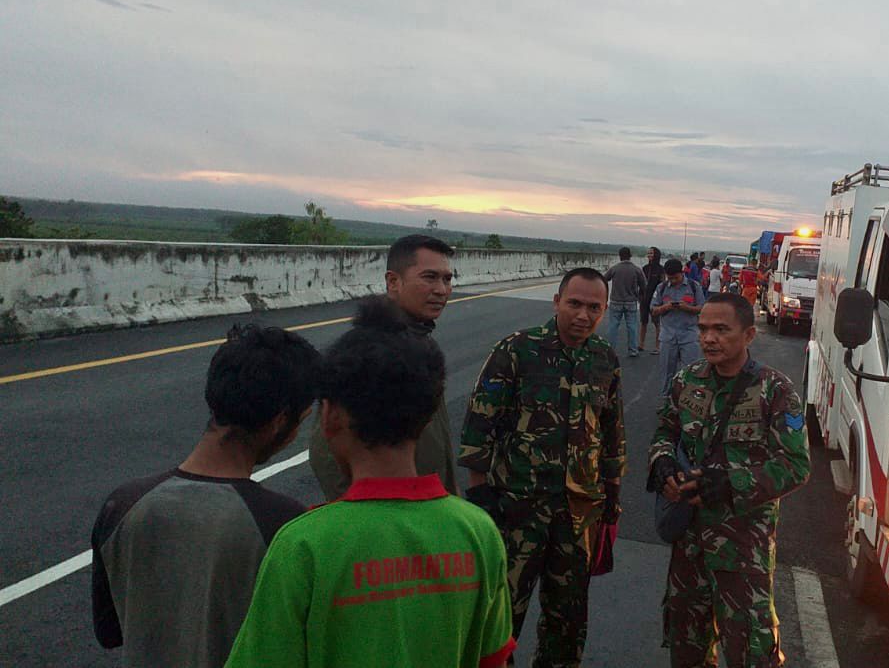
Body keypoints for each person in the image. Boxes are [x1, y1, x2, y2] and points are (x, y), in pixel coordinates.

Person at [223, 297, 515, 668]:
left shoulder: (303, 544)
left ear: (330, 416)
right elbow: (494, 659)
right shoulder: (479, 532)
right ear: (427, 419)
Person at [92, 324, 320, 668]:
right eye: (300, 422)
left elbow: (110, 633)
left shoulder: (122, 506)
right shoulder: (286, 525)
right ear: (279, 422)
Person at [458, 268, 626, 668]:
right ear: (556, 302)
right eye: (574, 304)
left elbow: (611, 429)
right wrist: (480, 492)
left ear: (603, 310)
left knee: (567, 620)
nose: (583, 315)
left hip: (578, 511)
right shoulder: (518, 350)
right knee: (502, 614)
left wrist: (613, 490)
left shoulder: (604, 358)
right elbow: (481, 421)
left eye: (593, 307)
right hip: (517, 507)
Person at [648, 293, 810, 668]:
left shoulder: (775, 390)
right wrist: (662, 462)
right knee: (686, 648)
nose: (709, 338)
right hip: (688, 546)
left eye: (721, 330)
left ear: (749, 334)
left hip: (742, 552)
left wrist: (730, 483)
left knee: (750, 653)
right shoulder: (686, 380)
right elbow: (664, 430)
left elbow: (796, 465)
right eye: (703, 329)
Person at [310, 233, 459, 498]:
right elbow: (326, 450)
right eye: (430, 277)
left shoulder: (421, 346)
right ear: (393, 282)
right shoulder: (365, 352)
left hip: (427, 509)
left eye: (447, 279)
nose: (442, 290)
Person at [652, 258, 707, 394]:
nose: (673, 281)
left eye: (675, 278)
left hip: (689, 336)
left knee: (692, 372)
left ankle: (689, 402)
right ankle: (666, 401)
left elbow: (702, 308)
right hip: (668, 337)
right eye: (670, 278)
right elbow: (653, 310)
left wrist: (687, 307)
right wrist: (665, 307)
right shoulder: (661, 288)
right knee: (666, 373)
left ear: (682, 273)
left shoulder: (694, 287)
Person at [603, 246, 646, 358]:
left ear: (620, 256)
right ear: (630, 256)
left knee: (613, 326)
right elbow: (644, 286)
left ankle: (611, 351)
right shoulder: (637, 269)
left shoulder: (615, 268)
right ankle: (633, 350)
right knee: (632, 327)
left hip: (616, 301)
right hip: (631, 302)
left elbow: (604, 279)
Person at [640, 246, 666, 355]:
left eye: (651, 253)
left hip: (655, 300)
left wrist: (660, 300)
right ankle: (641, 345)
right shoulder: (644, 268)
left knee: (657, 323)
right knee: (643, 322)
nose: (649, 255)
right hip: (643, 299)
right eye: (648, 253)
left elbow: (663, 285)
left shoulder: (661, 269)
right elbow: (640, 283)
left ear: (656, 255)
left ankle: (657, 346)